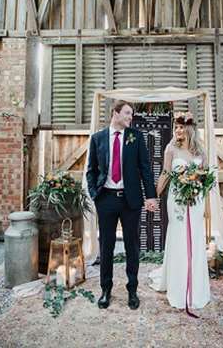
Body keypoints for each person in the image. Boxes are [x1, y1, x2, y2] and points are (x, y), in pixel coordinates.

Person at [86, 100, 158, 310]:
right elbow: (91, 170)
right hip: (106, 199)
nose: (130, 117)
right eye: (127, 113)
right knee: (106, 246)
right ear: (115, 113)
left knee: (132, 246)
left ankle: (132, 290)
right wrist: (94, 194)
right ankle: (105, 289)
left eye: (131, 114)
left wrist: (150, 196)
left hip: (130, 200)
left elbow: (145, 169)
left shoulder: (136, 137)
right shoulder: (98, 138)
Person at [149, 111, 211, 313]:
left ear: (190, 129)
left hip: (195, 200)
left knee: (194, 238)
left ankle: (196, 287)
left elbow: (206, 177)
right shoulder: (170, 149)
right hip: (176, 200)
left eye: (181, 127)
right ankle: (177, 286)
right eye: (176, 127)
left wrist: (198, 187)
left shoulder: (201, 151)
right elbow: (166, 174)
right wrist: (154, 195)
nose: (178, 131)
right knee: (178, 238)